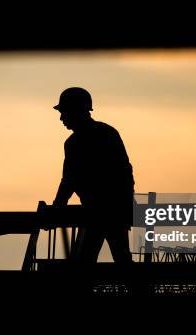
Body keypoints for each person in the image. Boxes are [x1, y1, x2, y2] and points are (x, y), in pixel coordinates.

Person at [52, 87, 134, 265]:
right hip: (112, 211)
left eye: (64, 112)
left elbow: (69, 181)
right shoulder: (107, 133)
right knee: (122, 259)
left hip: (100, 213)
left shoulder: (77, 142)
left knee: (86, 263)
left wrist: (56, 208)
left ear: (76, 111)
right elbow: (126, 174)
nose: (61, 118)